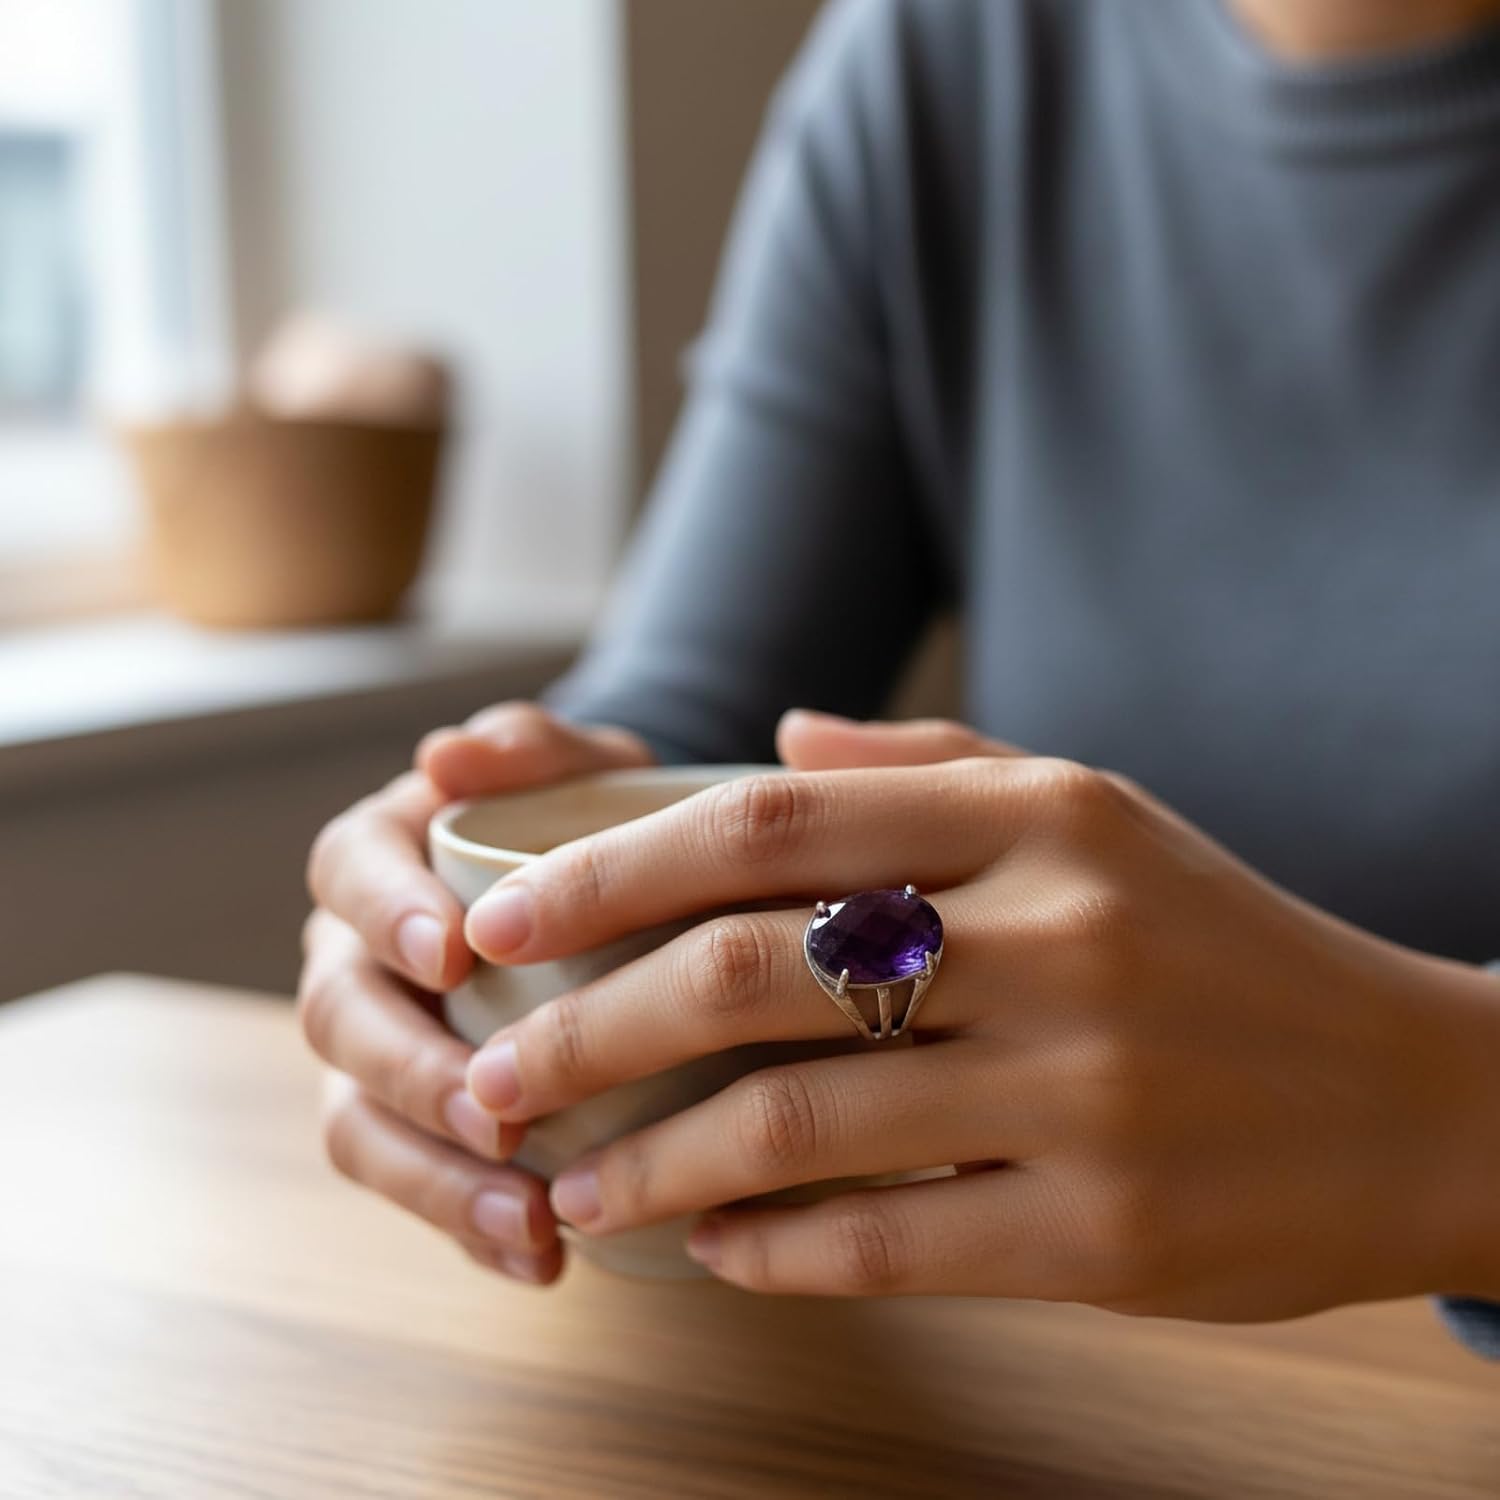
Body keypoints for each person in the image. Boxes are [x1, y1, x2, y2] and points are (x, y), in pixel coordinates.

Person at [297, 0, 1500, 1353]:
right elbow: (695, 721)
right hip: (1075, 1386)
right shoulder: (956, 52)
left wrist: (1453, 1120)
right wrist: (471, 899)